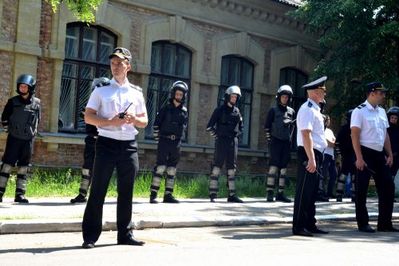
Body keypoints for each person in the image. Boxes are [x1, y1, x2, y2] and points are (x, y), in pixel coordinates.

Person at [81, 47, 148, 248]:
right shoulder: (101, 91)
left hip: (129, 146)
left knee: (126, 192)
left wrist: (133, 118)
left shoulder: (136, 93)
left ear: (128, 66)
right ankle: (90, 237)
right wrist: (110, 122)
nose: (115, 66)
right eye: (113, 63)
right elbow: (88, 116)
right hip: (106, 144)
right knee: (98, 190)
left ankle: (125, 235)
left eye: (120, 63)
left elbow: (144, 121)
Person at [351, 82, 398, 233]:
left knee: (388, 186)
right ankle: (363, 223)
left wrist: (389, 153)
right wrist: (358, 157)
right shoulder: (360, 111)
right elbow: (355, 135)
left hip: (379, 154)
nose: (383, 95)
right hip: (364, 152)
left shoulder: (382, 112)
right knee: (362, 189)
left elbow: (385, 136)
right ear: (372, 93)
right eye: (381, 93)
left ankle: (384, 223)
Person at [292, 76, 329, 237]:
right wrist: (312, 158)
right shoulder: (307, 108)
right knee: (304, 191)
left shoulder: (315, 109)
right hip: (309, 153)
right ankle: (299, 226)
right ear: (315, 92)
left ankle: (310, 224)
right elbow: (306, 134)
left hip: (316, 153)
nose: (325, 93)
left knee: (313, 191)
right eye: (323, 90)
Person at [0, 74, 41, 203]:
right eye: (21, 86)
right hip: (14, 139)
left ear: (30, 88)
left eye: (25, 86)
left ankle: (20, 194)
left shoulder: (37, 103)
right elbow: (4, 118)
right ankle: (0, 192)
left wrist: (32, 133)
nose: (22, 88)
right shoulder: (13, 101)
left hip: (28, 140)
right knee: (7, 165)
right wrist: (9, 131)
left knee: (24, 166)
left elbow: (38, 120)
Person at [70, 77, 111, 204]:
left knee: (102, 169)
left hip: (105, 141)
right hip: (91, 140)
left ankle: (98, 196)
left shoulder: (110, 108)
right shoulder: (89, 106)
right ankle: (82, 194)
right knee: (87, 168)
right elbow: (85, 118)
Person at [149, 81, 189, 204]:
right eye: (177, 94)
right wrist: (159, 140)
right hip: (164, 141)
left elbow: (184, 127)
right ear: (173, 94)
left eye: (181, 95)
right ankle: (153, 195)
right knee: (160, 167)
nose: (178, 97)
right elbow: (156, 125)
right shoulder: (165, 108)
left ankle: (168, 195)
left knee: (172, 169)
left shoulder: (184, 111)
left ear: (183, 96)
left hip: (176, 143)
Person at [206, 85, 244, 203]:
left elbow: (241, 127)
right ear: (227, 97)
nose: (234, 99)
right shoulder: (219, 110)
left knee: (232, 168)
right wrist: (217, 136)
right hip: (221, 141)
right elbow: (209, 127)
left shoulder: (237, 112)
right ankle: (213, 193)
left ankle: (232, 195)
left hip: (233, 142)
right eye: (232, 96)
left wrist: (236, 136)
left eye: (235, 97)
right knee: (217, 166)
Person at [264, 85, 295, 202]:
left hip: (286, 143)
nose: (285, 99)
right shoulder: (273, 110)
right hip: (275, 141)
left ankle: (280, 193)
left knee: (283, 169)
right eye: (283, 96)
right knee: (273, 167)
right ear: (279, 97)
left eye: (287, 97)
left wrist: (290, 140)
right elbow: (267, 126)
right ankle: (270, 192)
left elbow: (293, 129)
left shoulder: (292, 111)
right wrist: (270, 140)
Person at [335, 109, 356, 202]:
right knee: (352, 175)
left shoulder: (344, 129)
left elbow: (337, 143)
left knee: (345, 175)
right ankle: (354, 195)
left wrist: (340, 154)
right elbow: (337, 143)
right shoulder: (355, 129)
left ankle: (339, 195)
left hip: (349, 155)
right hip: (350, 155)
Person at [318, 115, 337, 201]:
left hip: (331, 155)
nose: (328, 121)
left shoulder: (330, 131)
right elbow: (328, 143)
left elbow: (335, 143)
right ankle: (322, 192)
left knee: (334, 174)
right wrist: (331, 143)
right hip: (324, 154)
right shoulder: (321, 130)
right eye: (327, 119)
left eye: (329, 119)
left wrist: (332, 143)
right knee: (324, 175)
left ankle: (330, 192)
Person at [387, 106, 399, 181]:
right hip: (386, 156)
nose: (393, 120)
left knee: (392, 175)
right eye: (392, 118)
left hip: (396, 156)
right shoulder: (385, 129)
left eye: (395, 118)